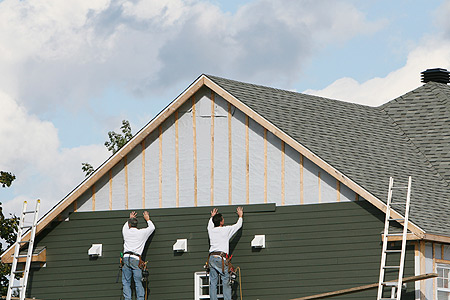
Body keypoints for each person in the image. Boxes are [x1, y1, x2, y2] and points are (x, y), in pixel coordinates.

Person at [207, 207, 243, 300]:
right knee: (226, 280)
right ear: (221, 222)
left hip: (211, 258)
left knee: (213, 282)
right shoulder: (225, 230)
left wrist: (212, 217)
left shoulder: (211, 230)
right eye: (223, 219)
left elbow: (209, 225)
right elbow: (237, 226)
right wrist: (240, 216)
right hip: (221, 258)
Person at [122, 211, 155, 300]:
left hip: (126, 258)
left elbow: (125, 226)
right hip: (136, 259)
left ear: (129, 224)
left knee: (126, 282)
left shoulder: (126, 232)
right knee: (138, 282)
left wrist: (130, 217)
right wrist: (147, 219)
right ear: (136, 225)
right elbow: (152, 228)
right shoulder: (141, 233)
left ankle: (127, 299)